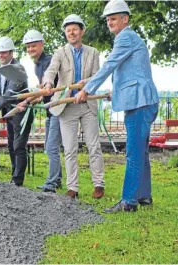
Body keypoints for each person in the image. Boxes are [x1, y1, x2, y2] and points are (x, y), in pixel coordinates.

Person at [75, 0, 159, 212]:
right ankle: (144, 196)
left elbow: (110, 65)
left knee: (133, 153)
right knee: (141, 152)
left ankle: (128, 202)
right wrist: (107, 90)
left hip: (141, 103)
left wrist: (88, 90)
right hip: (142, 100)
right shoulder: (130, 39)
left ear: (125, 19)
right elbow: (132, 73)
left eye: (113, 18)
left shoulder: (125, 38)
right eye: (108, 20)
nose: (109, 22)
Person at [42, 14, 105, 199]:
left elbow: (97, 76)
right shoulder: (60, 52)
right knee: (69, 148)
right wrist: (47, 83)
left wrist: (83, 85)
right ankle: (72, 188)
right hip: (66, 105)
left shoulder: (93, 52)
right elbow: (51, 70)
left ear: (82, 31)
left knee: (94, 145)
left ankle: (99, 184)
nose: (71, 33)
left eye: (75, 29)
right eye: (68, 30)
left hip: (87, 104)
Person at [0, 36, 33, 186]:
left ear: (11, 52)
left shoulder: (17, 69)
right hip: (9, 113)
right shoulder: (1, 69)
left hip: (20, 113)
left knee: (18, 146)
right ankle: (14, 176)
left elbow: (10, 94)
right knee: (11, 145)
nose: (0, 56)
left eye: (3, 53)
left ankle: (18, 180)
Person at [23, 29, 62, 193]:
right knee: (49, 145)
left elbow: (48, 87)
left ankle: (51, 184)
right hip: (49, 109)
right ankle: (57, 180)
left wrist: (26, 100)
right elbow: (43, 90)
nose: (31, 49)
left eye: (34, 46)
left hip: (57, 108)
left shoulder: (48, 62)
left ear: (41, 44)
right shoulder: (37, 65)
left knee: (51, 148)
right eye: (28, 47)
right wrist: (38, 98)